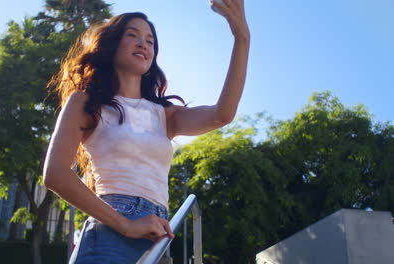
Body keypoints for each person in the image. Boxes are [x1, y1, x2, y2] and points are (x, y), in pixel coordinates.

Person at [43, 0, 250, 263]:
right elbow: (55, 174)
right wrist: (125, 224)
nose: (143, 43)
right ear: (112, 45)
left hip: (158, 235)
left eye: (150, 41)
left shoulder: (165, 114)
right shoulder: (85, 102)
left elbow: (223, 114)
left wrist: (241, 37)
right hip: (111, 233)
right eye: (133, 35)